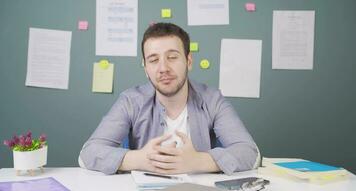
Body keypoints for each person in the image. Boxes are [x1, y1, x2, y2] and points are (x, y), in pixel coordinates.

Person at [79, 22, 259, 175]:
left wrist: (198, 162)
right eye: (153, 60)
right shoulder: (130, 101)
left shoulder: (213, 100)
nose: (163, 68)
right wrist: (139, 160)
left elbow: (251, 154)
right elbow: (87, 154)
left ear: (189, 61)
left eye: (172, 57)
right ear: (145, 67)